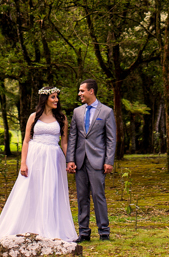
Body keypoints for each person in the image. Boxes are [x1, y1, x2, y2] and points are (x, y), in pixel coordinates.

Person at [0, 87, 78, 243]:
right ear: (45, 99)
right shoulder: (34, 117)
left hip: (53, 157)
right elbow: (26, 140)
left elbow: (64, 142)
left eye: (57, 97)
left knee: (51, 191)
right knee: (31, 189)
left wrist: (70, 160)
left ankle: (51, 227)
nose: (56, 100)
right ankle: (28, 224)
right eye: (53, 97)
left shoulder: (62, 118)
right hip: (35, 156)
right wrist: (23, 163)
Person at [66, 79, 116, 242]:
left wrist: (109, 160)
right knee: (81, 197)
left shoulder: (106, 112)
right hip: (80, 161)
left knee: (98, 195)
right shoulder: (77, 112)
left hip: (98, 161)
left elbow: (111, 138)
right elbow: (73, 136)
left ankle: (104, 232)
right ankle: (84, 232)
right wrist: (70, 159)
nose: (79, 93)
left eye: (82, 91)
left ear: (91, 91)